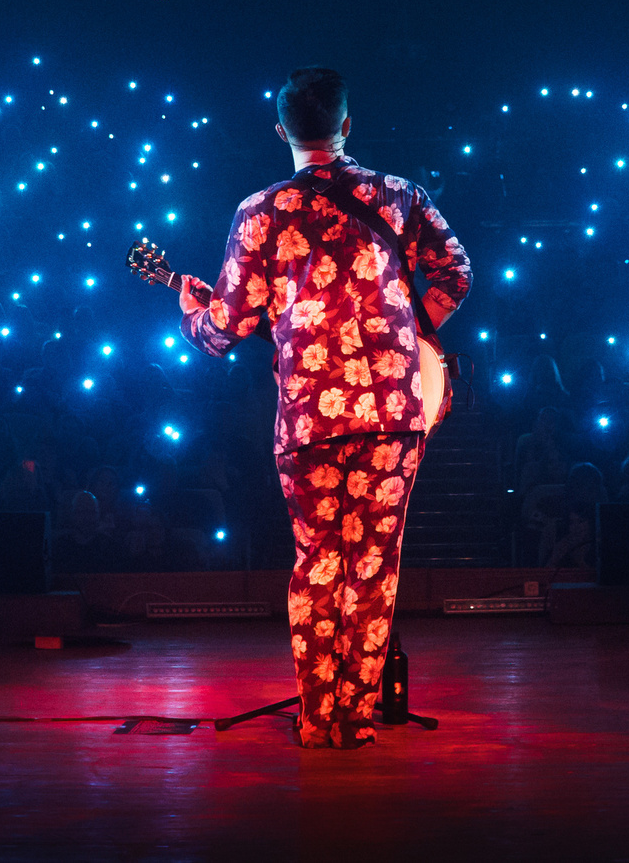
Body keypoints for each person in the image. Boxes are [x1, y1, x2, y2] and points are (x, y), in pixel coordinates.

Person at [170, 66, 470, 750]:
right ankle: (356, 715)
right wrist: (411, 328)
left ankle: (317, 717)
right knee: (374, 566)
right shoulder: (398, 194)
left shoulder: (261, 211)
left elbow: (225, 329)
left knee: (317, 562)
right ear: (347, 123)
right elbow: (456, 267)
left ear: (282, 131)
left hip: (310, 418)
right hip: (393, 415)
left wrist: (191, 311)